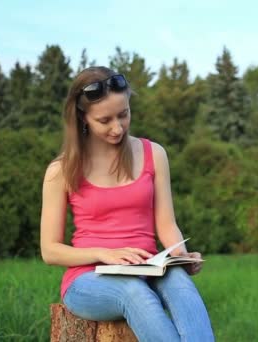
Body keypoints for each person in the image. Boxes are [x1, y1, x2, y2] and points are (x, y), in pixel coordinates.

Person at [40, 66, 214, 341]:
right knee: (133, 292)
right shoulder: (61, 170)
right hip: (88, 280)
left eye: (124, 114)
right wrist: (104, 253)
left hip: (149, 268)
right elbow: (50, 251)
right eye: (104, 120)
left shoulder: (153, 154)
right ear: (83, 118)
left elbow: (167, 224)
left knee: (180, 283)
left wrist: (181, 255)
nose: (117, 127)